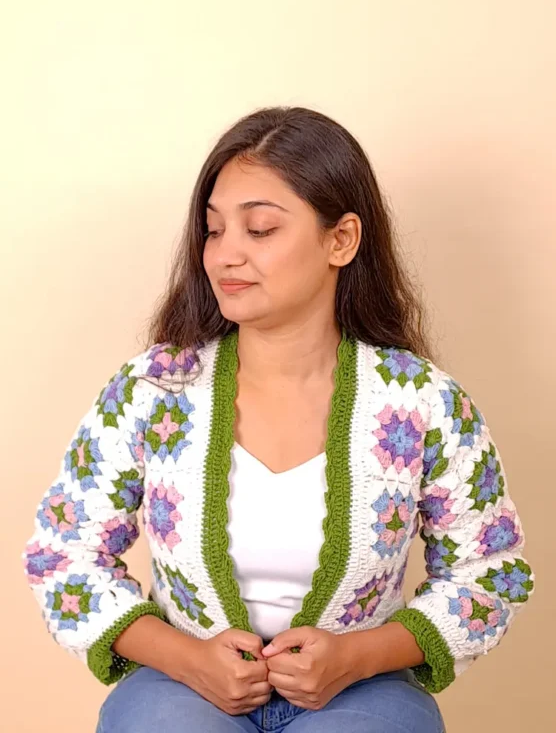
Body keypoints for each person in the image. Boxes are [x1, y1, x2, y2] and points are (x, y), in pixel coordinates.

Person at [23, 107, 534, 733]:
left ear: (341, 240)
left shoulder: (423, 404)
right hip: (180, 687)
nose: (225, 256)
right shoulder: (154, 391)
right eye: (214, 230)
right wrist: (186, 658)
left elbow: (490, 574)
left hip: (364, 692)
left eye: (260, 229)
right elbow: (63, 554)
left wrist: (357, 656)